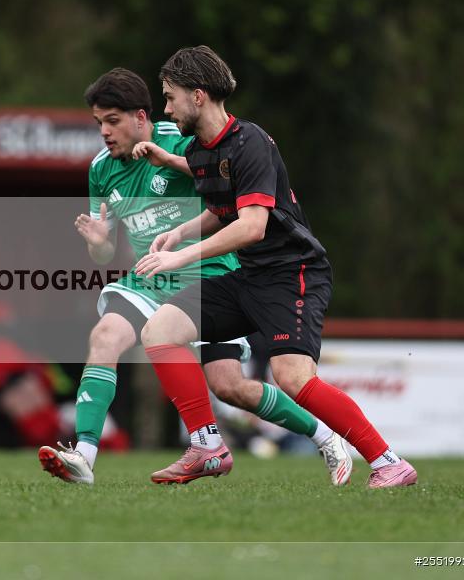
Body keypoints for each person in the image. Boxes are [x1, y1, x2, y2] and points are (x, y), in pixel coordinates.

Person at [38, 68, 352, 485]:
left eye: (112, 121)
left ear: (141, 117)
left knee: (230, 387)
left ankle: (324, 434)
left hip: (211, 275)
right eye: (99, 123)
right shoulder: (101, 169)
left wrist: (172, 163)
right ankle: (85, 456)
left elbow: (226, 179)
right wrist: (98, 243)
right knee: (105, 336)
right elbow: (106, 252)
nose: (105, 133)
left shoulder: (182, 139)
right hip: (151, 278)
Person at [132, 46, 415, 488]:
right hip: (250, 276)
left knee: (293, 378)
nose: (165, 108)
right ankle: (208, 447)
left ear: (199, 96)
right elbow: (223, 209)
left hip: (293, 273)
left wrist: (181, 255)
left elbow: (252, 226)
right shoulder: (200, 149)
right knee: (159, 331)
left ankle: (389, 462)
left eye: (170, 97)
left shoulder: (251, 143)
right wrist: (180, 232)